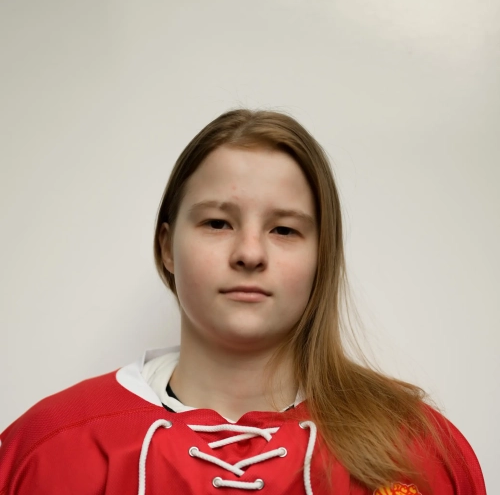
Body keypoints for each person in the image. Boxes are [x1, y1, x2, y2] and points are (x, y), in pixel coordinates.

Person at [0, 109, 486, 495]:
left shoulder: (419, 452)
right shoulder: (42, 450)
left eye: (284, 229)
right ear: (167, 247)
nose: (250, 253)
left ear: (322, 256)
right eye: (217, 223)